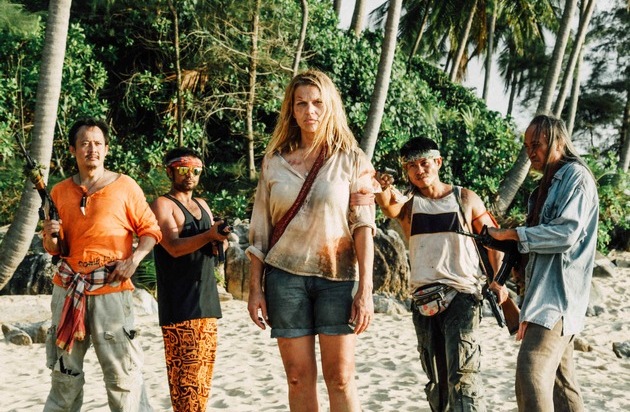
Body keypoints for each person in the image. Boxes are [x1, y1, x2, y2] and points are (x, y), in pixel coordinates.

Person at [246, 69, 378, 411]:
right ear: (291, 110)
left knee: (341, 378)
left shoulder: (352, 160)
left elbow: (364, 226)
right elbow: (259, 232)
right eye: (301, 104)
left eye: (317, 102)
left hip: (338, 278)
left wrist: (366, 290)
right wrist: (255, 289)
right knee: (297, 378)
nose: (310, 111)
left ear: (330, 105)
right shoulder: (274, 163)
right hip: (284, 279)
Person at [375, 136, 508, 412]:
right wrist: (381, 186)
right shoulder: (408, 205)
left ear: (438, 162)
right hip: (423, 301)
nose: (419, 170)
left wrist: (498, 280)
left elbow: (495, 242)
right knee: (437, 382)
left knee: (464, 378)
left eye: (424, 163)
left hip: (462, 296)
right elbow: (388, 205)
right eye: (412, 166)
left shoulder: (465, 198)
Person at [41, 118, 162, 411]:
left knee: (123, 377)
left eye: (97, 143)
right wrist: (50, 235)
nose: (91, 149)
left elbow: (151, 230)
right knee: (64, 376)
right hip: (68, 290)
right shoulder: (58, 192)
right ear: (73, 150)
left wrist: (133, 260)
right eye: (84, 143)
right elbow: (55, 249)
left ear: (107, 149)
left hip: (112, 291)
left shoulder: (125, 186)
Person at [487, 114, 599, 412]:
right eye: (526, 146)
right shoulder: (543, 189)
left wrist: (513, 233)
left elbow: (567, 233)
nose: (530, 152)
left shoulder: (575, 177)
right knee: (562, 386)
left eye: (536, 144)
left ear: (558, 142)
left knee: (531, 370)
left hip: (557, 298)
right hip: (544, 296)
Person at [150, 147, 229, 411]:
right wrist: (209, 235)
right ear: (170, 171)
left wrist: (220, 241)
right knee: (186, 385)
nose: (190, 175)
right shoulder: (162, 205)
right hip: (180, 305)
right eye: (183, 169)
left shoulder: (203, 205)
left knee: (202, 383)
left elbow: (212, 246)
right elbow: (172, 246)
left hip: (207, 302)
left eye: (196, 170)